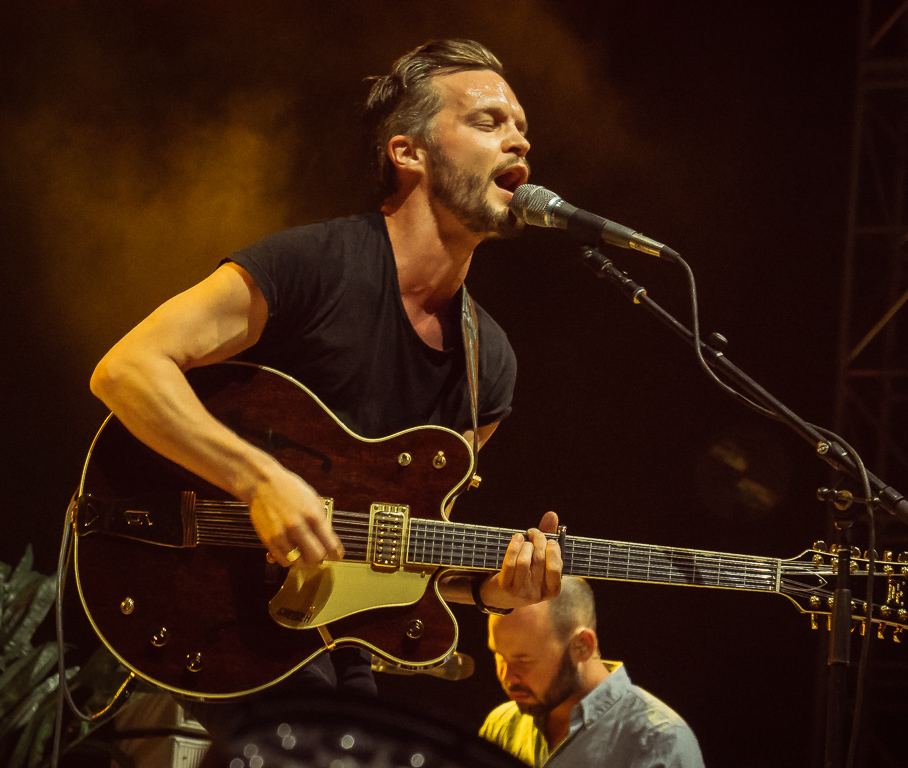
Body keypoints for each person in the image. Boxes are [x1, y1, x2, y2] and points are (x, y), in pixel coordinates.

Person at [89, 38, 562, 721]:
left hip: (334, 641)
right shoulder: (314, 265)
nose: (517, 142)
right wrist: (259, 481)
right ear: (409, 152)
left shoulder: (489, 359)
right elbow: (127, 369)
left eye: (522, 128)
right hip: (209, 607)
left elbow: (406, 548)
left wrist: (495, 591)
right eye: (488, 121)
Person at [481, 577, 704, 767]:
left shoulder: (660, 739)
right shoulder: (502, 724)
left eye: (524, 660)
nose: (507, 676)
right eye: (499, 656)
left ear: (583, 646)